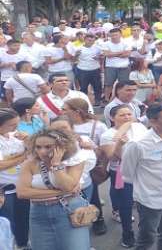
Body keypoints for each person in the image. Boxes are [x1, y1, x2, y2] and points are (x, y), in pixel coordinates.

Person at [121, 104, 162, 250]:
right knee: (147, 239)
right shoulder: (138, 145)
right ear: (152, 121)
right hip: (151, 201)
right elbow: (127, 174)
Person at [17, 128, 92, 250]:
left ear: (61, 147)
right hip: (38, 213)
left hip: (69, 209)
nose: (42, 151)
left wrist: (56, 165)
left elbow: (67, 185)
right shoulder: (29, 164)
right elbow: (22, 192)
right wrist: (60, 192)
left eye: (48, 147)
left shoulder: (74, 161)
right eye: (38, 147)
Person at [100, 104, 149, 248]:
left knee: (145, 201)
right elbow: (112, 157)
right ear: (112, 118)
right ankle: (127, 233)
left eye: (129, 114)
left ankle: (146, 231)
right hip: (121, 172)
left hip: (143, 170)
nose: (127, 117)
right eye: (122, 115)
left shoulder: (139, 127)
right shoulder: (108, 134)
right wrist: (119, 144)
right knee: (126, 204)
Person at [60, 97, 108, 235]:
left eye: (64, 109)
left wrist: (92, 147)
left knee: (93, 197)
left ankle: (98, 220)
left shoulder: (97, 126)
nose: (61, 111)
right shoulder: (63, 124)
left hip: (88, 169)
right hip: (67, 168)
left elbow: (103, 150)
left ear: (76, 111)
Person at [0, 109, 30, 249]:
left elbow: (33, 151)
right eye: (11, 125)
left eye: (17, 124)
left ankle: (23, 244)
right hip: (5, 189)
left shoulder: (15, 136)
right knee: (8, 221)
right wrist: (22, 157)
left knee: (23, 218)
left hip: (22, 184)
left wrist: (28, 140)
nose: (15, 128)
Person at [102, 28, 133, 101]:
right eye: (112, 35)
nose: (114, 37)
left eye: (116, 35)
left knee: (124, 85)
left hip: (124, 67)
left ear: (120, 35)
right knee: (108, 84)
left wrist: (112, 54)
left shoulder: (126, 43)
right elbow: (107, 54)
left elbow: (127, 54)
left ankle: (123, 99)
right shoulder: (106, 44)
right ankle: (106, 99)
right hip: (110, 66)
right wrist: (120, 52)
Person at [74, 33, 103, 105]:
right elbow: (73, 59)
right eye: (89, 40)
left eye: (93, 41)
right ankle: (84, 101)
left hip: (95, 69)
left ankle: (97, 100)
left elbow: (103, 56)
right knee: (83, 87)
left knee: (97, 86)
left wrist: (99, 57)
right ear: (85, 40)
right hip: (82, 70)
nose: (91, 42)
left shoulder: (98, 48)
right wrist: (76, 55)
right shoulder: (78, 48)